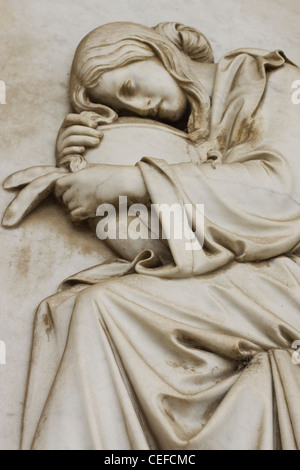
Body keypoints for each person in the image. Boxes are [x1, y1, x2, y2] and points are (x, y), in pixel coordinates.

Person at [22, 22, 300, 450]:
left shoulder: (272, 81)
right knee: (65, 308)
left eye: (130, 85)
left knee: (106, 308)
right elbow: (169, 250)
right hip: (260, 282)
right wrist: (80, 168)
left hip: (290, 278)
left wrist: (130, 180)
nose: (141, 105)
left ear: (154, 50)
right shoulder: (194, 136)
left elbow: (285, 194)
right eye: (123, 105)